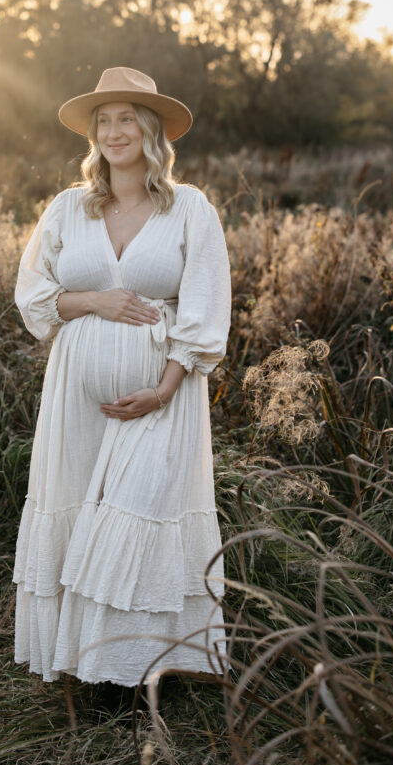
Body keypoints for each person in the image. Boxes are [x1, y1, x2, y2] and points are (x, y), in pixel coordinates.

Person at [12, 66, 231, 688]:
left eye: (127, 118)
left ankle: (147, 670)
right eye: (103, 121)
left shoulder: (189, 208)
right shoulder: (68, 208)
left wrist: (164, 388)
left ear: (151, 130)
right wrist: (94, 301)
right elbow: (33, 296)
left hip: (162, 398)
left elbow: (206, 305)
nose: (113, 131)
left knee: (140, 517)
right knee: (80, 514)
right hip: (75, 401)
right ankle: (86, 668)